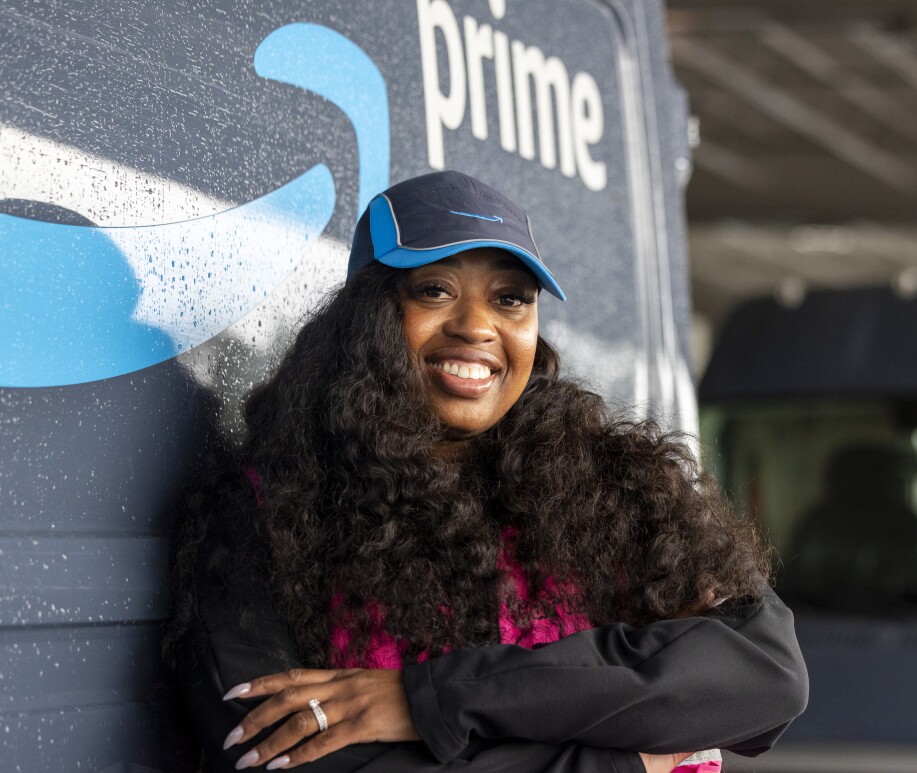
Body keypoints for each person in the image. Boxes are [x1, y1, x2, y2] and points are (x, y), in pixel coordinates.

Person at [167, 171, 808, 773]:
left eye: (510, 299)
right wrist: (610, 762)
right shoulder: (266, 510)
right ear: (364, 317)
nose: (477, 326)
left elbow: (762, 672)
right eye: (434, 290)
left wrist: (430, 700)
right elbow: (277, 754)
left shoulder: (612, 482)